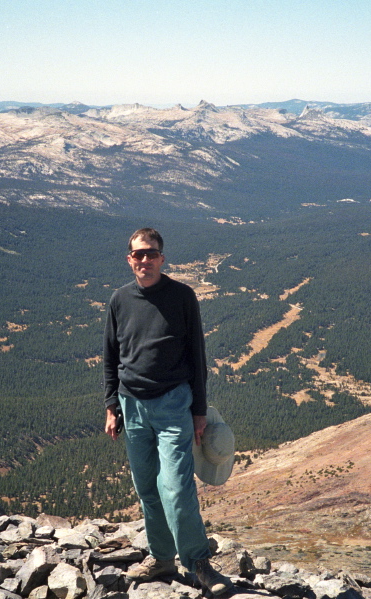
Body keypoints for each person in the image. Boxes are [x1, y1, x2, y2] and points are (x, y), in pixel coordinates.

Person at [103, 227, 232, 595]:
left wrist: (199, 410)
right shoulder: (119, 300)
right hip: (132, 406)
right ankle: (161, 559)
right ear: (129, 259)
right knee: (147, 488)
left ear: (162, 257)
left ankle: (198, 564)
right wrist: (112, 406)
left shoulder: (182, 296)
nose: (144, 260)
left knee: (175, 487)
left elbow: (197, 356)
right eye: (138, 254)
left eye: (151, 253)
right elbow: (111, 356)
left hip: (174, 403)